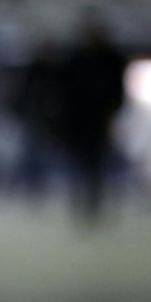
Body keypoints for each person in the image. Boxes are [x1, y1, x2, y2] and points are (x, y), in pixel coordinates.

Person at [56, 14, 128, 227]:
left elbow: (117, 92)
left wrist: (113, 113)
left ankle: (93, 207)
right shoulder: (75, 60)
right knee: (79, 165)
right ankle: (80, 206)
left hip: (100, 121)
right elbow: (65, 93)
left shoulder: (110, 59)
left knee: (96, 166)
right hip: (78, 122)